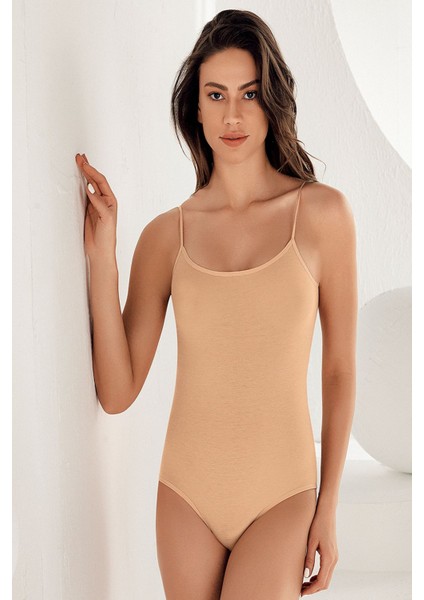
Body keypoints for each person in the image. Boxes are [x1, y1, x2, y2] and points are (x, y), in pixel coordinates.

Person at [74, 9, 357, 599]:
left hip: (282, 495)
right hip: (185, 497)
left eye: (249, 94)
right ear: (195, 109)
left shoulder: (322, 215)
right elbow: (117, 391)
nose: (232, 115)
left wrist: (329, 506)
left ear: (272, 102)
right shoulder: (165, 237)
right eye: (216, 94)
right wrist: (103, 260)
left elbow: (338, 369)